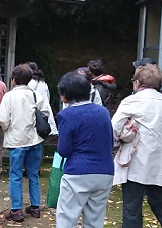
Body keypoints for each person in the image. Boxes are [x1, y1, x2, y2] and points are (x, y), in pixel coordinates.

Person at [112, 64, 162, 228]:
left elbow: (113, 129)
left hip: (137, 162)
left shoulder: (132, 101)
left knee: (132, 208)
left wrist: (115, 144)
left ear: (137, 82)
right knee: (160, 203)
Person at [56, 71, 114, 228]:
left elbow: (64, 150)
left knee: (67, 218)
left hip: (78, 172)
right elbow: (110, 142)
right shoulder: (103, 112)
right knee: (95, 221)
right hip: (105, 171)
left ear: (65, 94)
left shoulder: (67, 115)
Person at [0, 64, 50, 222]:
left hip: (16, 140)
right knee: (33, 174)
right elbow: (46, 113)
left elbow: (3, 119)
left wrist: (8, 128)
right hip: (35, 140)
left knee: (15, 175)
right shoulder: (35, 95)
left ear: (13, 80)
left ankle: (16, 209)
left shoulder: (9, 96)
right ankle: (35, 207)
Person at [27, 62, 58, 136]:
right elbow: (48, 96)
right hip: (46, 110)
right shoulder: (43, 83)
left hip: (36, 111)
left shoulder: (31, 83)